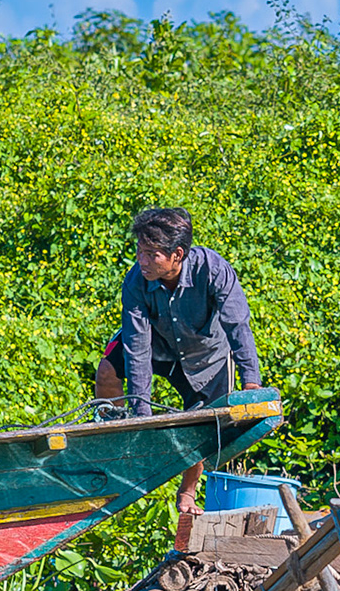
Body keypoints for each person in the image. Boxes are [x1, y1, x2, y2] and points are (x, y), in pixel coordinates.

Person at [93, 207, 264, 514]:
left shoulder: (213, 269)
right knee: (107, 370)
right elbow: (137, 346)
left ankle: (187, 492)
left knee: (202, 424)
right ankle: (115, 444)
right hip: (158, 344)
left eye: (152, 255)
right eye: (139, 252)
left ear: (177, 255)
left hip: (207, 357)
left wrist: (250, 382)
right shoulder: (135, 281)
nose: (142, 261)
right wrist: (141, 414)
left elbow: (238, 325)